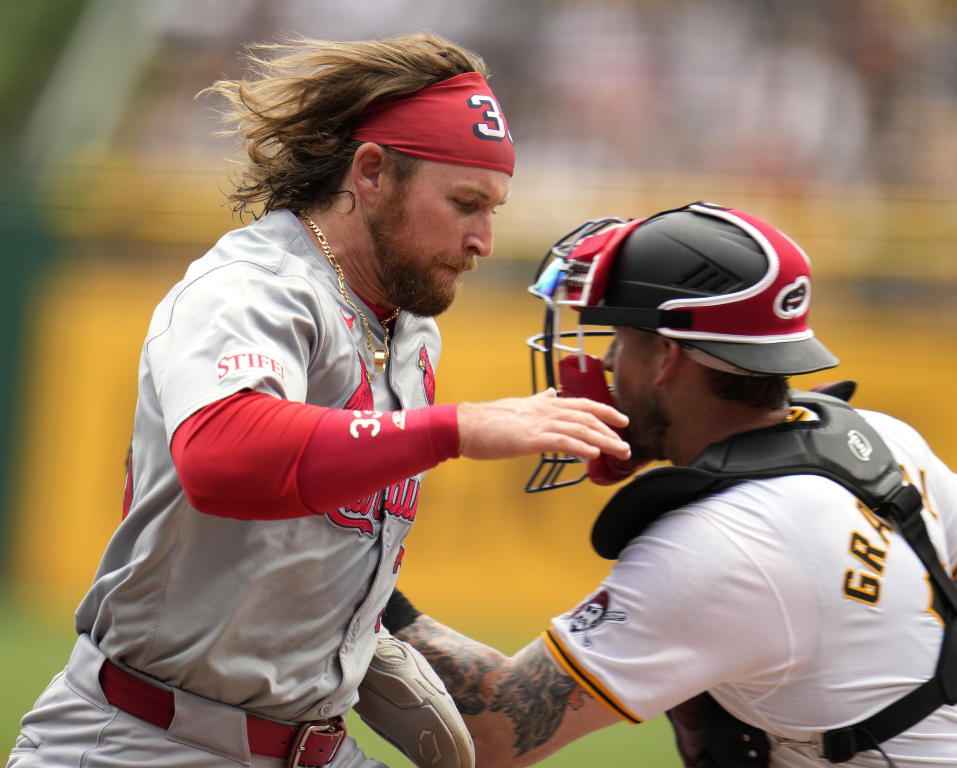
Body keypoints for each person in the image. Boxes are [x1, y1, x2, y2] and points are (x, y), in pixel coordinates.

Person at [5, 32, 632, 768]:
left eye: (493, 208)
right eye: (465, 203)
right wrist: (455, 428)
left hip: (317, 748)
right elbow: (222, 456)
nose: (484, 239)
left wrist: (368, 636)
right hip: (146, 739)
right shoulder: (253, 287)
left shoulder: (412, 328)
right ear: (370, 173)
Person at [380, 202, 957, 767]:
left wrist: (357, 590)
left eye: (620, 337)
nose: (607, 361)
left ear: (666, 355)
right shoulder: (883, 438)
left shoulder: (720, 546)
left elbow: (496, 732)